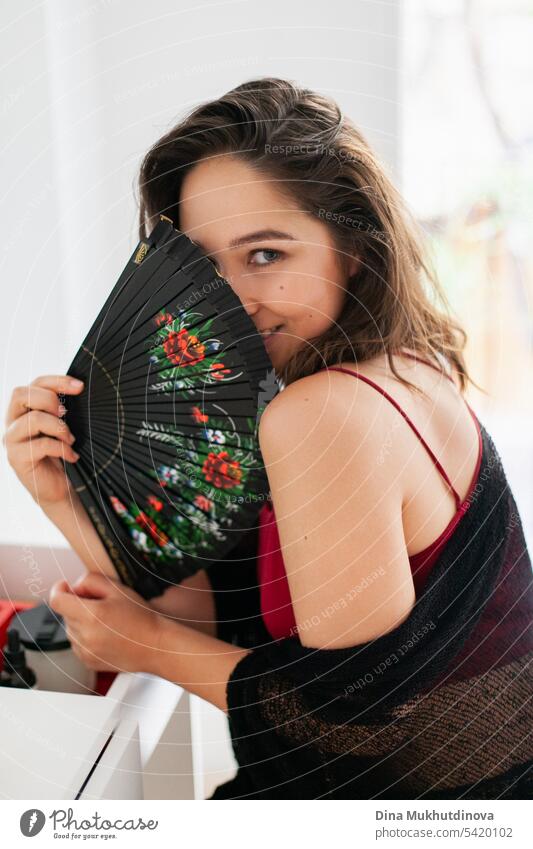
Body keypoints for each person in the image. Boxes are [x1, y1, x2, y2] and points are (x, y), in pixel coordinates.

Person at [4, 77, 532, 799]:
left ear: (351, 247)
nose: (232, 300)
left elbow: (350, 731)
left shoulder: (323, 411)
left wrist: (149, 649)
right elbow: (221, 614)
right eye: (202, 264)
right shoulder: (400, 366)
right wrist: (68, 495)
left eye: (264, 255)